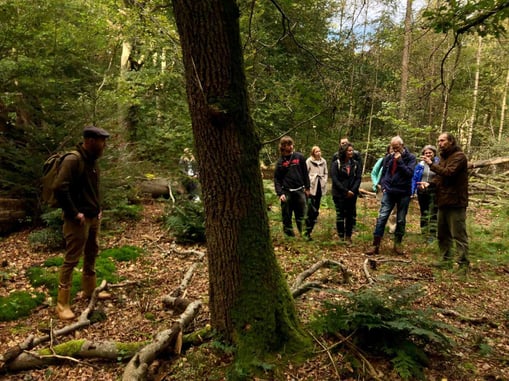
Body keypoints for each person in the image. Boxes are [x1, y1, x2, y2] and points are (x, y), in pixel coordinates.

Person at [53, 125, 111, 320]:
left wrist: (98, 208)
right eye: (102, 141)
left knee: (92, 252)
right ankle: (62, 304)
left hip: (93, 217)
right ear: (91, 141)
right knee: (71, 259)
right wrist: (74, 213)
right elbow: (60, 188)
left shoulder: (92, 161)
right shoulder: (73, 160)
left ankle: (90, 291)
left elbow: (92, 189)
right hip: (77, 220)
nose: (104, 145)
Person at [418, 132, 469, 270]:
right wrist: (430, 184)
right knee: (442, 234)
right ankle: (445, 260)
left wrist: (431, 165)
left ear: (451, 141)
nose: (440, 143)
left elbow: (449, 173)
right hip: (442, 200)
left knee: (458, 234)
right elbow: (440, 177)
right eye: (439, 141)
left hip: (456, 202)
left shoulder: (459, 157)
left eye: (443, 141)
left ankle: (462, 264)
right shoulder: (443, 157)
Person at [365, 136, 416, 255]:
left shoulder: (411, 158)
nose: (394, 150)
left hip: (403, 193)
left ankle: (397, 245)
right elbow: (384, 173)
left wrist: (400, 161)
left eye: (396, 147)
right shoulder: (388, 157)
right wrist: (383, 185)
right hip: (389, 192)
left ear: (402, 145)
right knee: (382, 217)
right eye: (392, 147)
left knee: (401, 219)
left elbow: (409, 173)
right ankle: (375, 245)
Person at [274, 136, 310, 237]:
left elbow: (305, 173)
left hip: (300, 190)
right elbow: (277, 179)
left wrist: (307, 188)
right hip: (286, 192)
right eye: (288, 145)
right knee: (287, 215)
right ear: (283, 146)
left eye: (291, 144)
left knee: (302, 214)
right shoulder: (280, 162)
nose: (291, 146)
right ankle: (289, 236)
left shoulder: (300, 157)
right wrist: (280, 193)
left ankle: (304, 234)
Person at [331, 142, 362, 246]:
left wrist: (352, 190)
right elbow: (335, 179)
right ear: (344, 151)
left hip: (352, 195)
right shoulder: (336, 163)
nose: (351, 152)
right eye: (349, 150)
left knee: (349, 216)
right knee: (340, 215)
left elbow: (358, 178)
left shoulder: (356, 164)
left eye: (352, 150)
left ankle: (348, 236)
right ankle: (341, 236)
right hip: (339, 194)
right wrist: (345, 191)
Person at [412, 145, 439, 242]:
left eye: (430, 153)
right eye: (426, 153)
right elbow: (414, 178)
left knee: (433, 213)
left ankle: (432, 234)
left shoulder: (438, 163)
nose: (428, 154)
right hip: (421, 191)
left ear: (434, 153)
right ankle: (424, 232)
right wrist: (413, 190)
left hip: (434, 191)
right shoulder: (420, 165)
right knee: (423, 212)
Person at [371, 145, 397, 234]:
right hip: (381, 188)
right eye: (391, 149)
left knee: (394, 210)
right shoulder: (382, 160)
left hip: (394, 189)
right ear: (388, 150)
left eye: (395, 149)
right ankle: (380, 227)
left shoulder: (400, 161)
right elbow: (374, 173)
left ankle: (392, 229)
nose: (393, 150)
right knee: (382, 208)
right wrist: (376, 184)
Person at [304, 146, 328, 240]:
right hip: (311, 188)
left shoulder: (324, 161)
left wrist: (324, 180)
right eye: (316, 151)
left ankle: (309, 230)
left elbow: (326, 172)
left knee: (316, 211)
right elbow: (305, 173)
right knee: (310, 210)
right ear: (313, 153)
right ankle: (306, 231)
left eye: (319, 151)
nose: (318, 153)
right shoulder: (309, 161)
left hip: (320, 187)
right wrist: (308, 184)